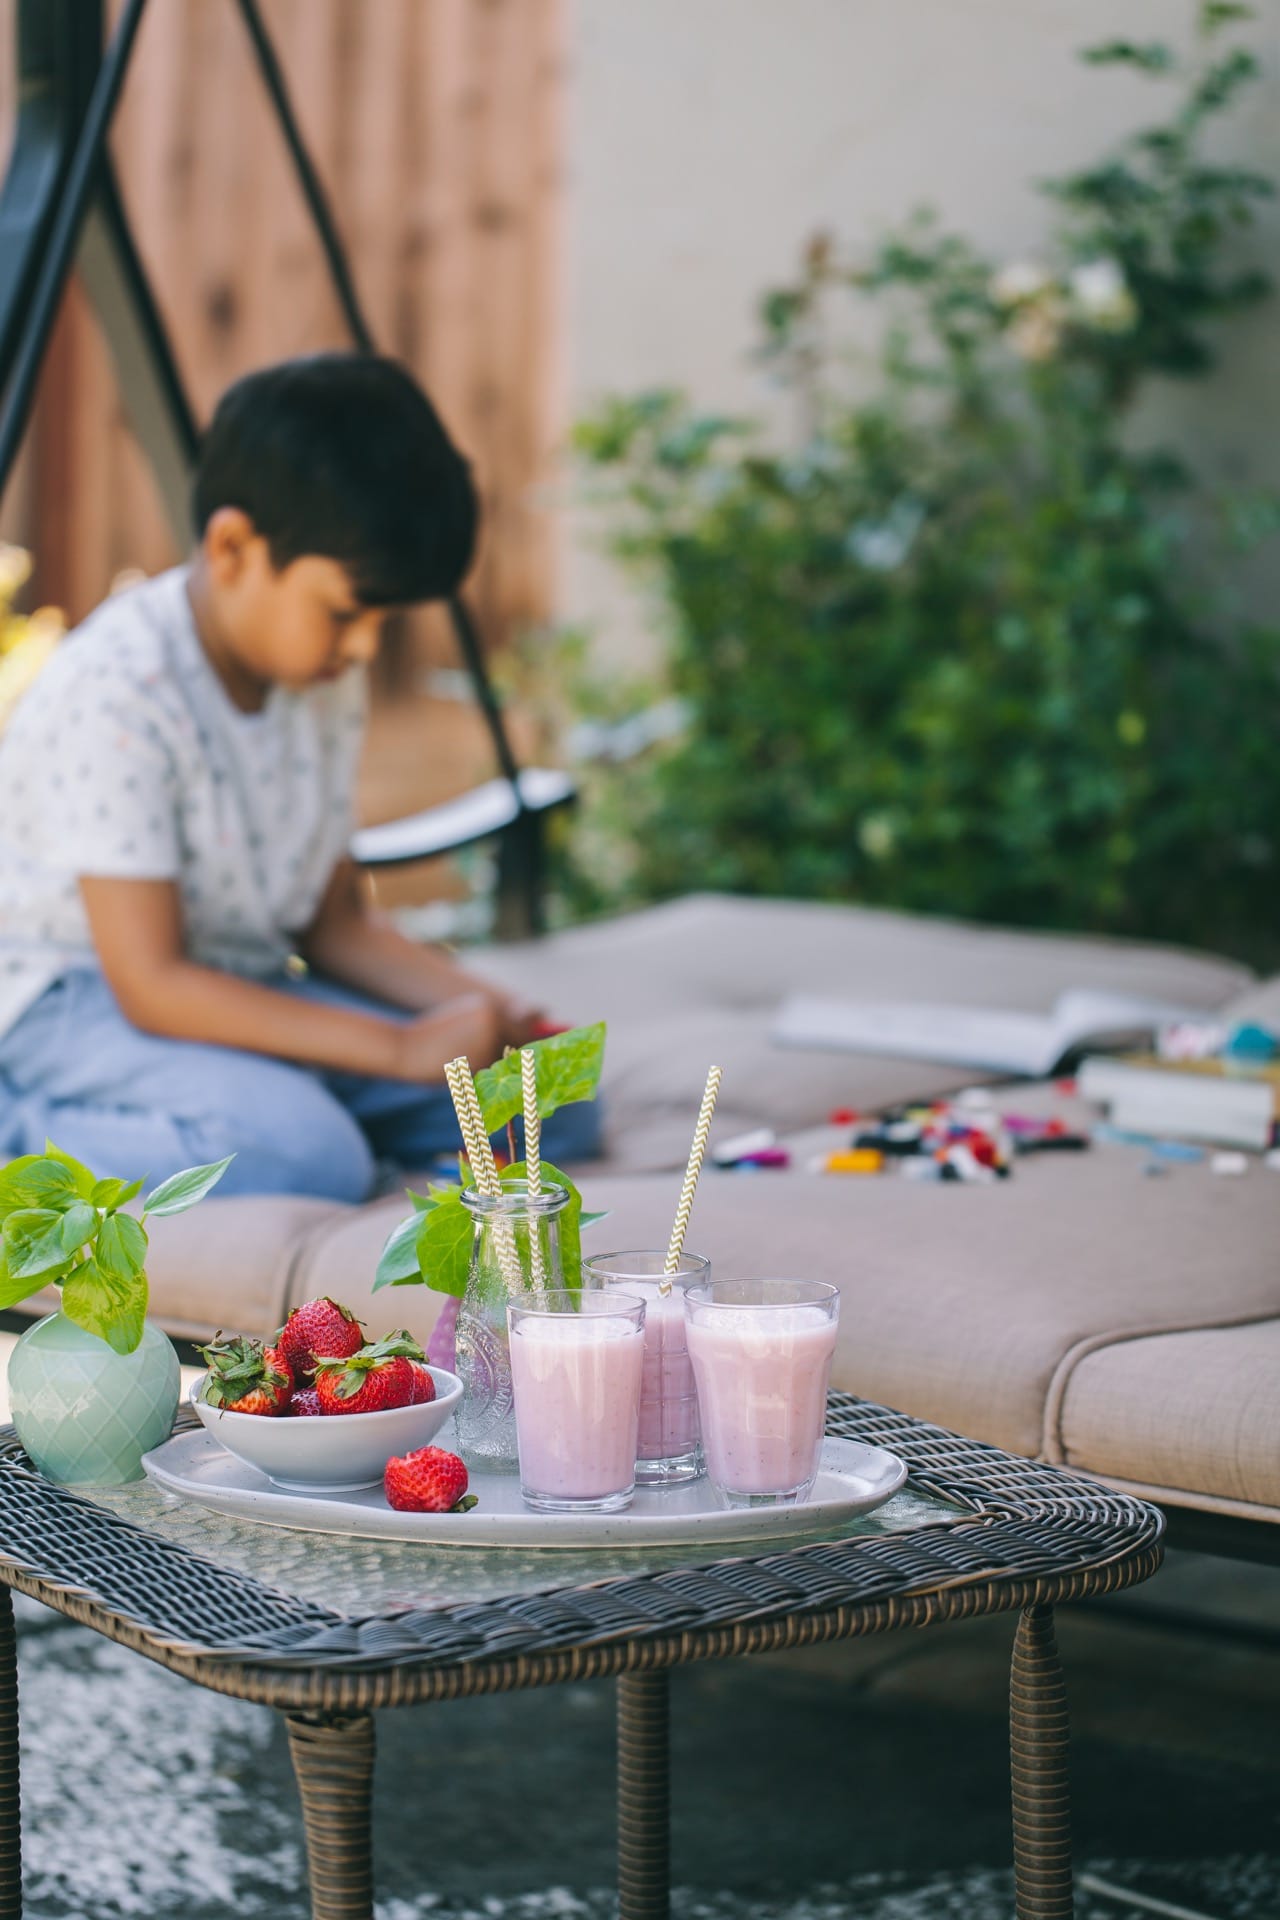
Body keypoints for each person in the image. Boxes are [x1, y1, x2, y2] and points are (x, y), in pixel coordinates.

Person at [0, 353, 599, 1200]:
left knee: (548, 1108)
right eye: (347, 613)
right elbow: (153, 983)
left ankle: (274, 1099)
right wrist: (397, 1051)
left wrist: (494, 1014)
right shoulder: (120, 693)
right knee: (302, 1156)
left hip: (234, 989)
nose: (362, 649)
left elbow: (333, 925)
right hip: (72, 1004)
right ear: (235, 547)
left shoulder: (316, 679)